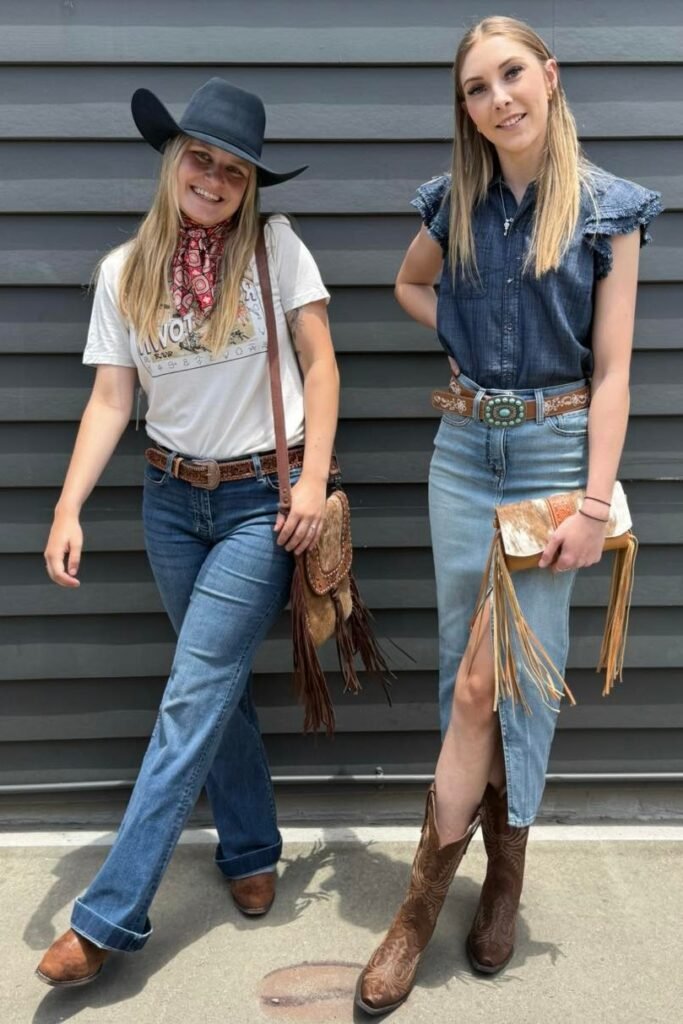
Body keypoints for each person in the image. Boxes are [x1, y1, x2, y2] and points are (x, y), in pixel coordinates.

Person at [356, 16, 662, 1015]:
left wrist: (592, 502)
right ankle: (454, 894)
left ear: (549, 76)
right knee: (467, 681)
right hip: (461, 453)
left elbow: (611, 373)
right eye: (476, 89)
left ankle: (456, 897)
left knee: (500, 682)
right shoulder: (454, 200)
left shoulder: (608, 209)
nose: (497, 99)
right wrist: (458, 335)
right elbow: (409, 283)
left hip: (551, 459)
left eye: (511, 74)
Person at [37, 78, 339, 986]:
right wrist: (67, 506)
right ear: (173, 161)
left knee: (192, 690)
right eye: (200, 159)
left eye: (234, 170)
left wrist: (312, 480)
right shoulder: (125, 270)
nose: (213, 179)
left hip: (259, 503)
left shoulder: (276, 250)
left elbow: (322, 366)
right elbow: (110, 399)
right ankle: (249, 848)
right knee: (215, 688)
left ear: (250, 186)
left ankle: (107, 917)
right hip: (169, 502)